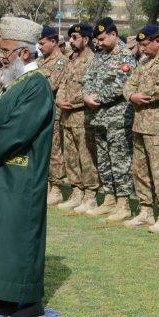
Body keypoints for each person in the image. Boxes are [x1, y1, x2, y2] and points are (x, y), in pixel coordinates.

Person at [0, 16, 54, 317]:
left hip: (22, 174)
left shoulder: (37, 85)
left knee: (19, 233)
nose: (1, 57)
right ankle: (2, 292)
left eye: (6, 50)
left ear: (25, 53)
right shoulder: (12, 81)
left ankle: (28, 300)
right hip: (1, 170)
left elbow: (18, 130)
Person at [82, 17, 137, 221]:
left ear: (114, 34)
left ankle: (123, 203)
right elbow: (87, 78)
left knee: (119, 160)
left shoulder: (125, 56)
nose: (100, 42)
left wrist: (96, 97)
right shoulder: (99, 55)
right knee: (104, 159)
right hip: (98, 117)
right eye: (98, 39)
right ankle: (109, 199)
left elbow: (120, 85)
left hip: (117, 117)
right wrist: (86, 96)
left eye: (103, 38)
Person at [122, 24, 159, 233]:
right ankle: (145, 210)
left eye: (145, 44)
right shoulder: (143, 63)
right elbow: (128, 85)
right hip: (140, 123)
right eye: (140, 45)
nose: (142, 49)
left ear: (157, 42)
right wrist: (131, 95)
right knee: (140, 169)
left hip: (157, 125)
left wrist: (138, 95)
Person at [54, 24, 100, 213]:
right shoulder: (70, 60)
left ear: (86, 40)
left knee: (86, 157)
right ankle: (76, 192)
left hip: (83, 117)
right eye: (70, 38)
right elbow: (62, 84)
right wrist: (59, 100)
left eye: (75, 37)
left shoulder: (93, 61)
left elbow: (92, 89)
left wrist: (70, 102)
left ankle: (90, 195)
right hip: (67, 117)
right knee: (71, 157)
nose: (71, 41)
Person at [37, 26, 69, 205]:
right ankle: (45, 184)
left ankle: (56, 187)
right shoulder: (41, 62)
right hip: (39, 112)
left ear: (53, 42)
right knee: (43, 150)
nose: (39, 47)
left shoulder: (60, 62)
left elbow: (52, 84)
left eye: (42, 43)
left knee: (54, 151)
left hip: (53, 112)